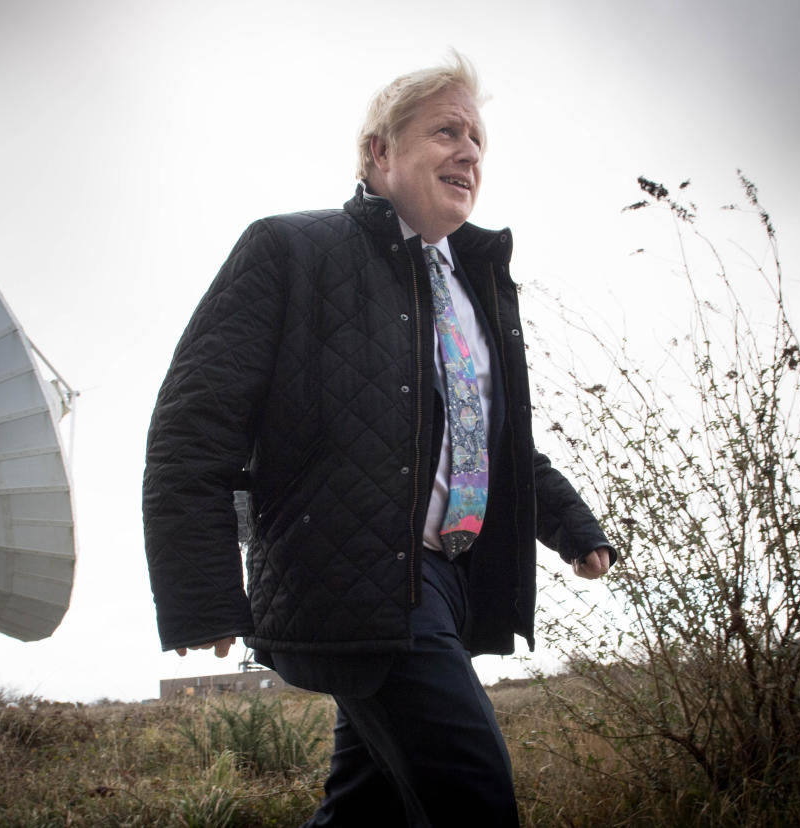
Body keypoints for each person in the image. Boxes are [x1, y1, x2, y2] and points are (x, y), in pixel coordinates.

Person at [143, 52, 615, 827]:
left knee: (369, 813)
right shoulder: (290, 251)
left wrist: (571, 528)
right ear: (380, 154)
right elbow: (192, 428)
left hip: (443, 586)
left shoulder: (472, 289)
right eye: (446, 131)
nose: (469, 152)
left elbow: (491, 436)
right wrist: (201, 593)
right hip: (352, 575)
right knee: (475, 797)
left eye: (478, 140)